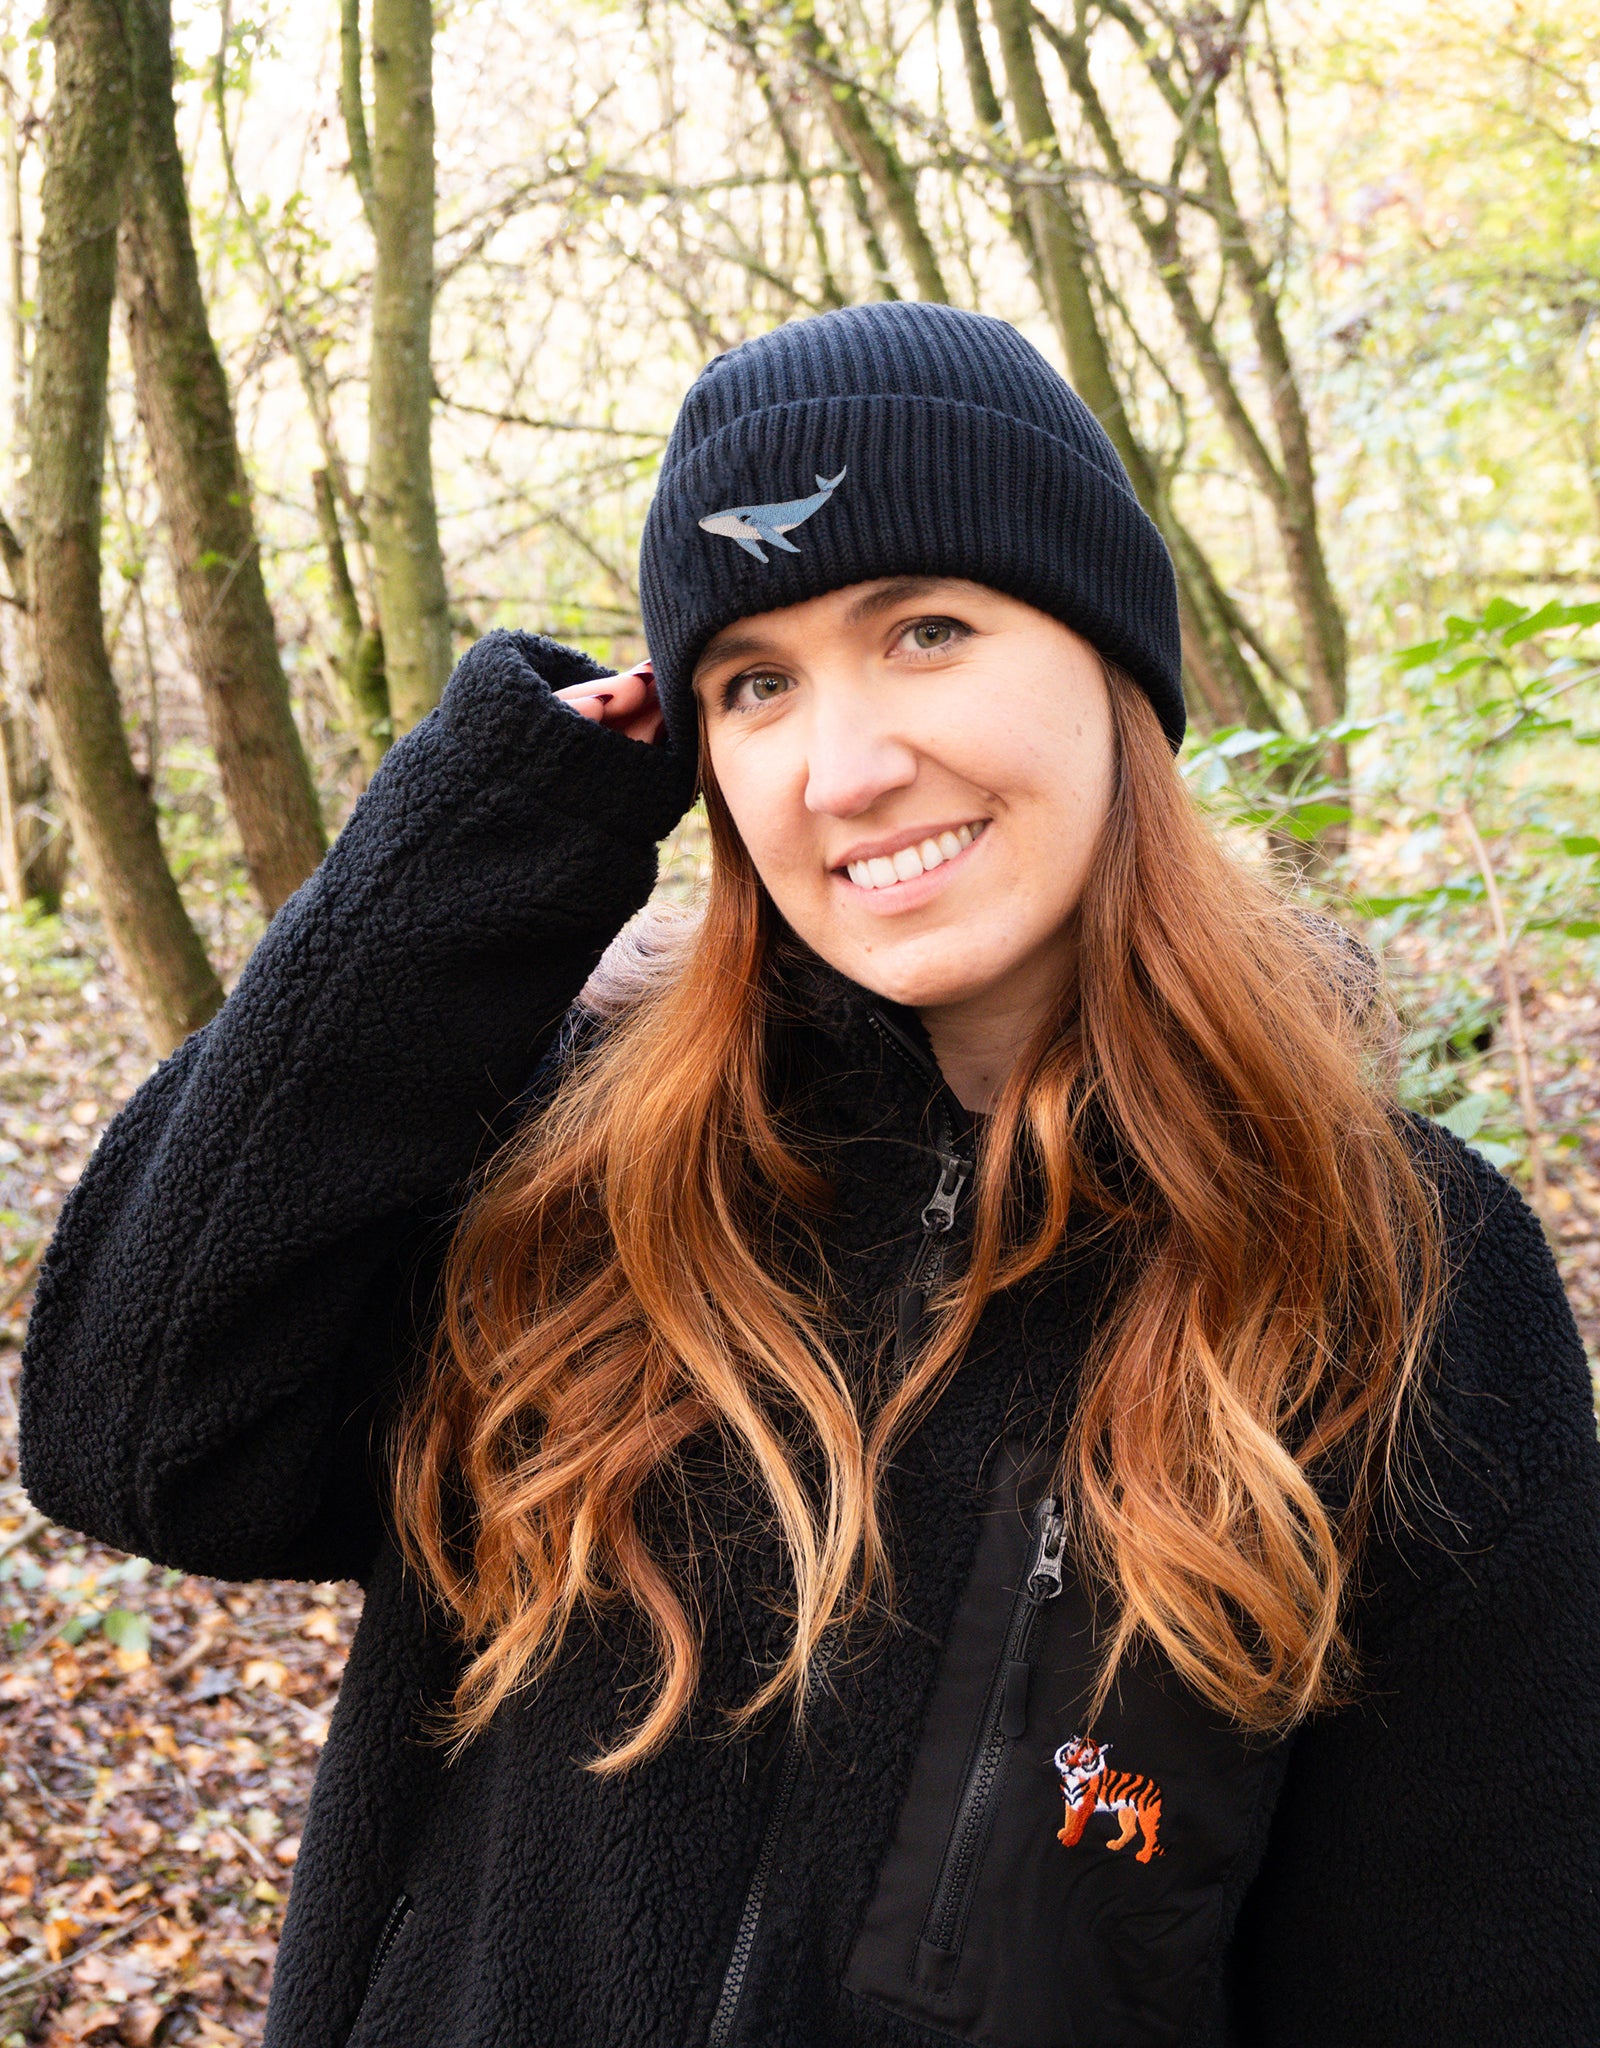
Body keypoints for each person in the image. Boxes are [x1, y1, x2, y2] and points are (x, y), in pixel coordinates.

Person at [18, 301, 1600, 2048]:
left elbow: (1482, 1974)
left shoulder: (1393, 1270)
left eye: (925, 631)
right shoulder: (570, 1168)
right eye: (754, 683)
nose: (843, 769)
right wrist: (498, 814)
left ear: (1110, 666)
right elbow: (139, 1439)